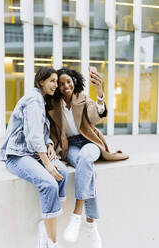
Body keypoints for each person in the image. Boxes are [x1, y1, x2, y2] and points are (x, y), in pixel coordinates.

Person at [48, 67, 129, 248]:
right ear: (58, 88)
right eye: (61, 84)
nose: (65, 86)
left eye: (68, 82)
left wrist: (99, 92)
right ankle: (91, 225)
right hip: (71, 146)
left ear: (74, 82)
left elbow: (95, 116)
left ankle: (77, 215)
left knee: (86, 157)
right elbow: (52, 132)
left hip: (90, 142)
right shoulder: (54, 106)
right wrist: (50, 146)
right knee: (87, 167)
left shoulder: (83, 99)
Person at [0, 67, 68, 248]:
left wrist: (50, 145)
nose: (56, 85)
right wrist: (47, 163)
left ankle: (46, 226)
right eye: (52, 81)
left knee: (63, 173)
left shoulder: (40, 100)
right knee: (49, 183)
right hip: (16, 156)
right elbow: (33, 137)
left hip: (30, 153)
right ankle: (53, 242)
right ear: (41, 82)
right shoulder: (34, 100)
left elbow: (39, 134)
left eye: (56, 81)